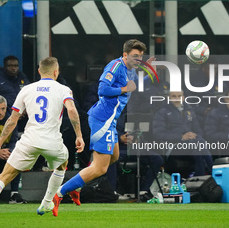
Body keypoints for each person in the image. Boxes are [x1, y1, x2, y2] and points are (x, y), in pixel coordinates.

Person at [0, 57, 84, 220]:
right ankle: (47, 202)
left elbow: (12, 120)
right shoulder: (63, 89)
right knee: (62, 164)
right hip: (52, 142)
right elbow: (71, 110)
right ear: (56, 72)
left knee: (5, 176)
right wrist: (79, 135)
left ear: (39, 71)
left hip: (29, 140)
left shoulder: (27, 89)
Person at [52, 39, 155, 216]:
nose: (139, 59)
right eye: (135, 56)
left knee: (114, 156)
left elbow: (133, 87)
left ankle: (78, 184)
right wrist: (123, 88)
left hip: (110, 121)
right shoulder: (115, 66)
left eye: (141, 57)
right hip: (102, 120)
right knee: (100, 168)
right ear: (125, 55)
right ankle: (60, 193)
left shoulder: (130, 70)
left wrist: (150, 74)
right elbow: (102, 90)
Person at [106, 107, 163, 201]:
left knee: (157, 159)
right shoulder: (109, 111)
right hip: (118, 147)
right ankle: (112, 191)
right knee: (111, 159)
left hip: (136, 148)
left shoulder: (130, 111)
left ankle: (143, 190)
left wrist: (138, 138)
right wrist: (120, 138)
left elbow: (144, 129)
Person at [152, 90, 213, 176]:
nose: (177, 99)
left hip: (193, 144)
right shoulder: (162, 112)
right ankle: (213, 173)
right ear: (169, 98)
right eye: (174, 96)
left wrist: (194, 136)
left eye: (179, 96)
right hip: (173, 147)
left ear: (183, 97)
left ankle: (200, 179)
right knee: (200, 144)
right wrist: (181, 137)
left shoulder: (189, 110)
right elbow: (158, 134)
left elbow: (198, 130)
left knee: (198, 152)